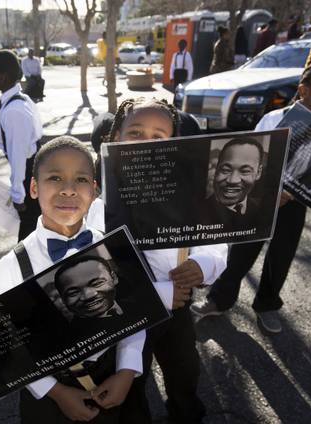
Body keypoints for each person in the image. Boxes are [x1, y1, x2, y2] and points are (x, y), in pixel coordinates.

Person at [0, 136, 149, 424]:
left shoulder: (115, 249)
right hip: (49, 390)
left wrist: (127, 370)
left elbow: (133, 317)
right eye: (55, 178)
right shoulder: (11, 267)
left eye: (81, 180)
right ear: (34, 188)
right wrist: (56, 391)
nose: (68, 190)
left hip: (110, 374)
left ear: (94, 190)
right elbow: (11, 345)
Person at [91, 97, 227, 423]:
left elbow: (214, 237)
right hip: (130, 312)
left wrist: (204, 264)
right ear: (114, 139)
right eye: (135, 133)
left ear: (173, 145)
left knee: (184, 369)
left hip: (178, 306)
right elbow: (98, 266)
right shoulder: (98, 199)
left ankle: (186, 413)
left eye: (158, 137)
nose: (145, 144)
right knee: (132, 381)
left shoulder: (190, 191)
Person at [191, 59, 311, 334]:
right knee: (240, 252)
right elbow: (250, 158)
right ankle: (219, 299)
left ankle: (267, 305)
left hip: (294, 205)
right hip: (261, 201)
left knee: (281, 256)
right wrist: (265, 192)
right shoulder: (274, 119)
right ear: (303, 90)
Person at [0, 49, 43, 241]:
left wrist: (18, 195)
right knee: (33, 231)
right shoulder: (19, 100)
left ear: (3, 77)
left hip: (28, 175)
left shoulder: (14, 110)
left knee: (28, 235)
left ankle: (28, 271)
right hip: (31, 171)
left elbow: (18, 155)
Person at [200, 137, 266, 231]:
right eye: (226, 170)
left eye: (245, 171)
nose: (232, 180)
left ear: (258, 173)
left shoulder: (261, 211)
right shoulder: (196, 211)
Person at [53, 256, 124, 320]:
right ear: (63, 299)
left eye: (97, 283)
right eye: (73, 293)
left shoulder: (133, 306)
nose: (88, 296)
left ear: (114, 278)